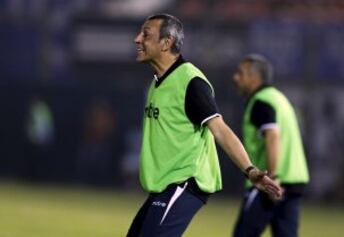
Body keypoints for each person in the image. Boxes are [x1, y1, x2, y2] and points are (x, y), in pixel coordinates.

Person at [127, 14, 282, 237]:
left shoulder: (191, 82)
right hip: (165, 185)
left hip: (185, 182)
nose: (137, 39)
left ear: (166, 42)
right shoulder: (157, 83)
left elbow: (220, 129)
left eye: (146, 34)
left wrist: (250, 170)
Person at [232, 54, 310, 237]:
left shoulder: (261, 101)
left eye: (240, 73)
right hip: (294, 180)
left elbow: (273, 136)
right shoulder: (280, 98)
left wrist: (273, 177)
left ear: (254, 77)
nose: (235, 77)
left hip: (269, 183)